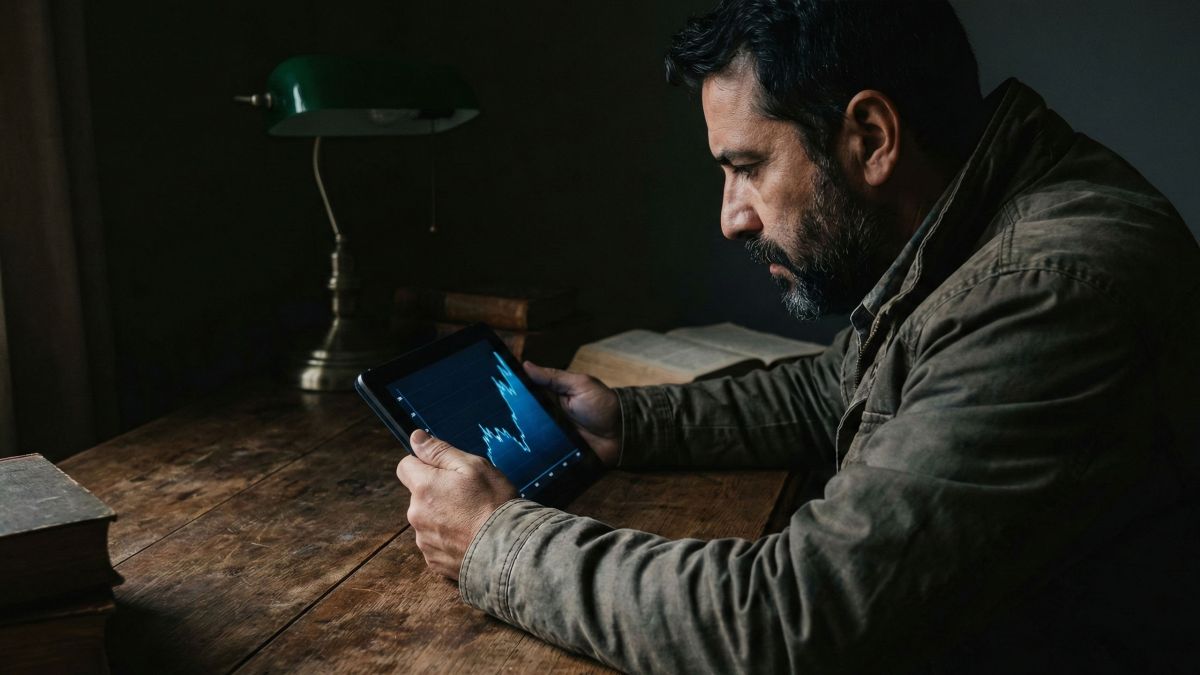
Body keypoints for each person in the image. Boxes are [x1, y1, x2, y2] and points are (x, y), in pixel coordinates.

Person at [395, 1, 1200, 671]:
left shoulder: (1044, 292)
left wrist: (496, 544)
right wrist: (630, 422)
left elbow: (790, 618)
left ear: (873, 139)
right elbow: (837, 383)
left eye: (747, 166)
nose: (730, 216)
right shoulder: (975, 226)